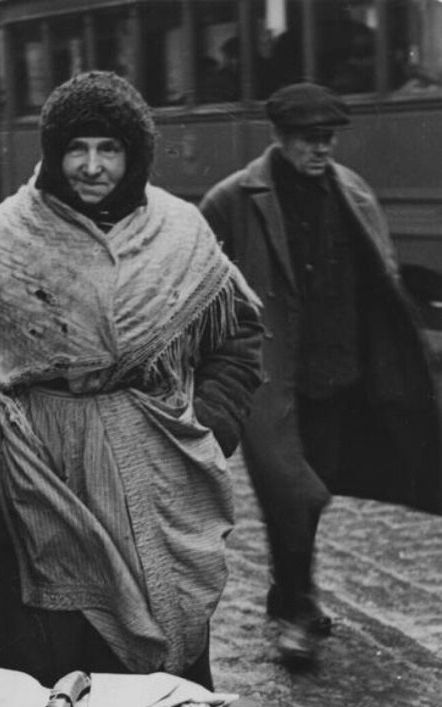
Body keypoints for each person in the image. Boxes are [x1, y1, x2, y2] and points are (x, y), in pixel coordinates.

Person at [0, 70, 264, 691]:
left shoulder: (180, 232)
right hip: (37, 473)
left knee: (155, 665)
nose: (92, 167)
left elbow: (238, 335)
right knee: (43, 660)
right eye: (76, 148)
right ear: (52, 154)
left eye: (110, 149)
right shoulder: (1, 237)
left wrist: (209, 429)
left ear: (136, 155)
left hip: (156, 466)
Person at [199, 82, 442, 668]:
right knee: (293, 496)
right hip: (274, 381)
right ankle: (297, 613)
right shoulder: (234, 198)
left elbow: (380, 278)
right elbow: (199, 283)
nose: (321, 149)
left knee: (315, 492)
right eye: (309, 139)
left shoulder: (351, 192)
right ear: (280, 137)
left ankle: (288, 593)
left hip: (342, 376)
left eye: (328, 138)